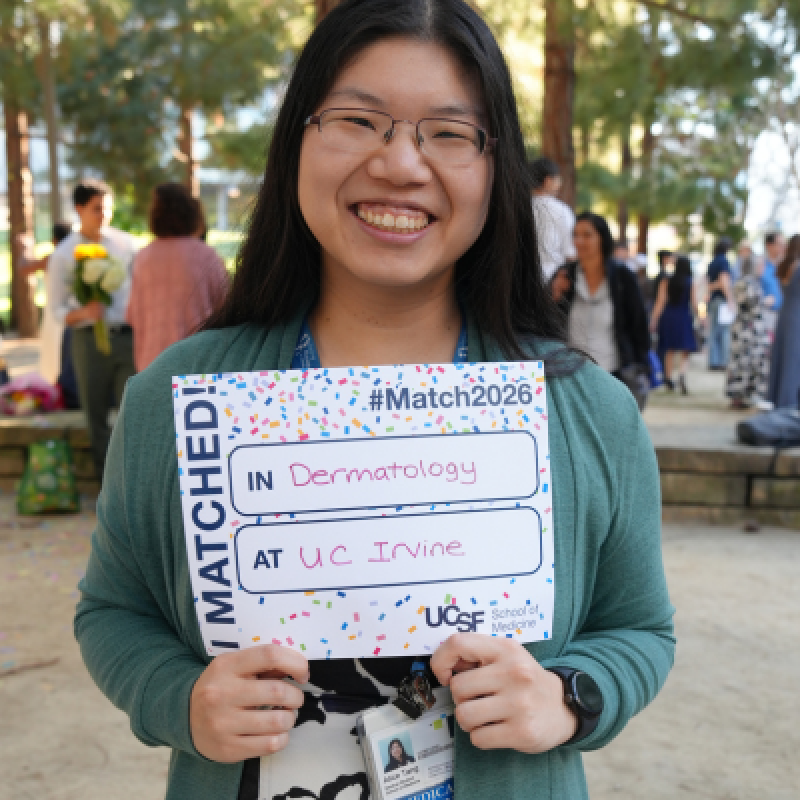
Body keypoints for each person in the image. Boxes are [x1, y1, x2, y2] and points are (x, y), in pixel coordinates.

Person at [74, 4, 674, 800]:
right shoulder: (175, 403)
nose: (400, 164)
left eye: (450, 133)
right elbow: (113, 612)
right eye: (359, 120)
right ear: (297, 140)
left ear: (497, 169)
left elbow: (640, 630)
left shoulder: (589, 413)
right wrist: (179, 700)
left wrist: (571, 697)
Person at [48, 179, 137, 477]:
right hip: (87, 340)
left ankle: (133, 481)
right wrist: (84, 311)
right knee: (95, 415)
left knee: (131, 411)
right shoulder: (63, 255)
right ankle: (106, 487)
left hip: (127, 338)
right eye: (97, 209)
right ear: (79, 209)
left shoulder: (126, 244)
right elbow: (57, 310)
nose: (104, 215)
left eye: (108, 208)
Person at [553, 211, 652, 407]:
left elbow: (639, 325)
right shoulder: (564, 277)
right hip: (571, 376)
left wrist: (641, 364)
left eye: (587, 235)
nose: (579, 240)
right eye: (576, 234)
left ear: (602, 239)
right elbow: (545, 324)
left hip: (614, 374)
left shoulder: (623, 277)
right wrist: (553, 296)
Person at [127, 183, 228, 371]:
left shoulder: (144, 257)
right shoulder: (205, 254)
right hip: (198, 362)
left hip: (153, 364)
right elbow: (226, 308)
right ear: (191, 212)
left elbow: (133, 314)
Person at [14, 224, 80, 407]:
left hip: (56, 316)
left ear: (54, 240)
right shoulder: (74, 257)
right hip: (68, 313)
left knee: (56, 355)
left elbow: (24, 268)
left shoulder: (55, 257)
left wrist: (24, 249)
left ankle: (57, 393)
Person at [726, 249, 771, 410]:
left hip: (748, 329)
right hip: (748, 331)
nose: (763, 268)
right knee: (746, 363)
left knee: (746, 362)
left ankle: (744, 395)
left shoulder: (747, 282)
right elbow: (748, 304)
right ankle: (744, 395)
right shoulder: (746, 283)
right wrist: (765, 302)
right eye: (761, 265)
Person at [650, 255, 696, 394]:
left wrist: (653, 319)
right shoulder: (690, 282)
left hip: (668, 317)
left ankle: (668, 378)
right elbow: (694, 303)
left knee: (669, 349)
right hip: (683, 316)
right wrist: (701, 318)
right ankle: (682, 373)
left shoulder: (666, 281)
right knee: (685, 349)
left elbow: (660, 302)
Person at [530, 156, 576, 281]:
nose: (560, 184)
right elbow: (570, 252)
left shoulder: (518, 209)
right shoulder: (561, 210)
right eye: (558, 179)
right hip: (553, 281)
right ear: (548, 181)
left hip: (521, 281)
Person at [768, 234, 800, 409]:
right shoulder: (798, 266)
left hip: (784, 313)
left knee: (783, 356)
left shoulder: (783, 265)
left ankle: (779, 397)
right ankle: (790, 399)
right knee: (793, 358)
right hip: (797, 315)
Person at [706, 238, 734, 371]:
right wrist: (730, 300)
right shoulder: (723, 261)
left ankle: (714, 361)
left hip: (713, 300)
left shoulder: (712, 262)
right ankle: (722, 362)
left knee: (714, 332)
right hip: (721, 301)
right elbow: (724, 281)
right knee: (723, 332)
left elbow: (709, 284)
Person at [761, 232, 786, 332]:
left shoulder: (787, 267)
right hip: (767, 316)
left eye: (784, 244)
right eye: (779, 244)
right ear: (769, 245)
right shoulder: (760, 267)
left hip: (785, 315)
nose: (783, 247)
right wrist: (763, 300)